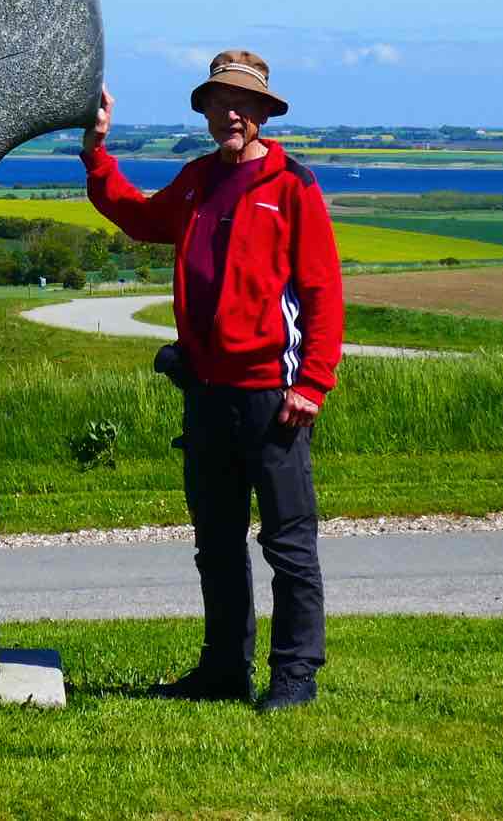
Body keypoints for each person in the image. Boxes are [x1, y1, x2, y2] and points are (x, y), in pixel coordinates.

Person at [81, 49, 343, 712]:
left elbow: (321, 291)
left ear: (262, 112)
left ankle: (293, 676)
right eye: (220, 103)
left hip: (272, 396)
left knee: (287, 544)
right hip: (204, 391)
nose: (232, 113)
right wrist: (96, 153)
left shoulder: (292, 186)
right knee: (216, 545)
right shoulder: (197, 180)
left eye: (245, 104)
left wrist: (312, 381)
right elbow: (141, 219)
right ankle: (224, 670)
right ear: (203, 112)